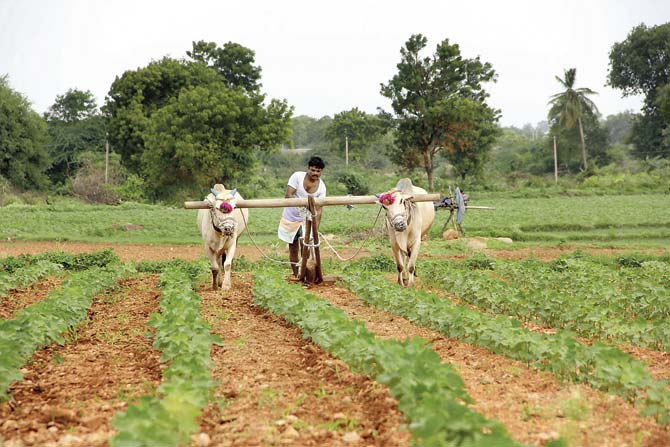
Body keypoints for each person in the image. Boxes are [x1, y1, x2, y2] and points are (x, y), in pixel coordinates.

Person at [277, 156, 326, 277]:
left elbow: (319, 209)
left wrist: (316, 228)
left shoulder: (322, 187)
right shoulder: (297, 177)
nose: (315, 173)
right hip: (291, 218)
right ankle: (295, 275)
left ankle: (305, 274)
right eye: (313, 170)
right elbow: (288, 195)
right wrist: (303, 209)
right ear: (308, 169)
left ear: (321, 172)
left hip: (307, 221)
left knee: (306, 248)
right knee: (293, 248)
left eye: (318, 171)